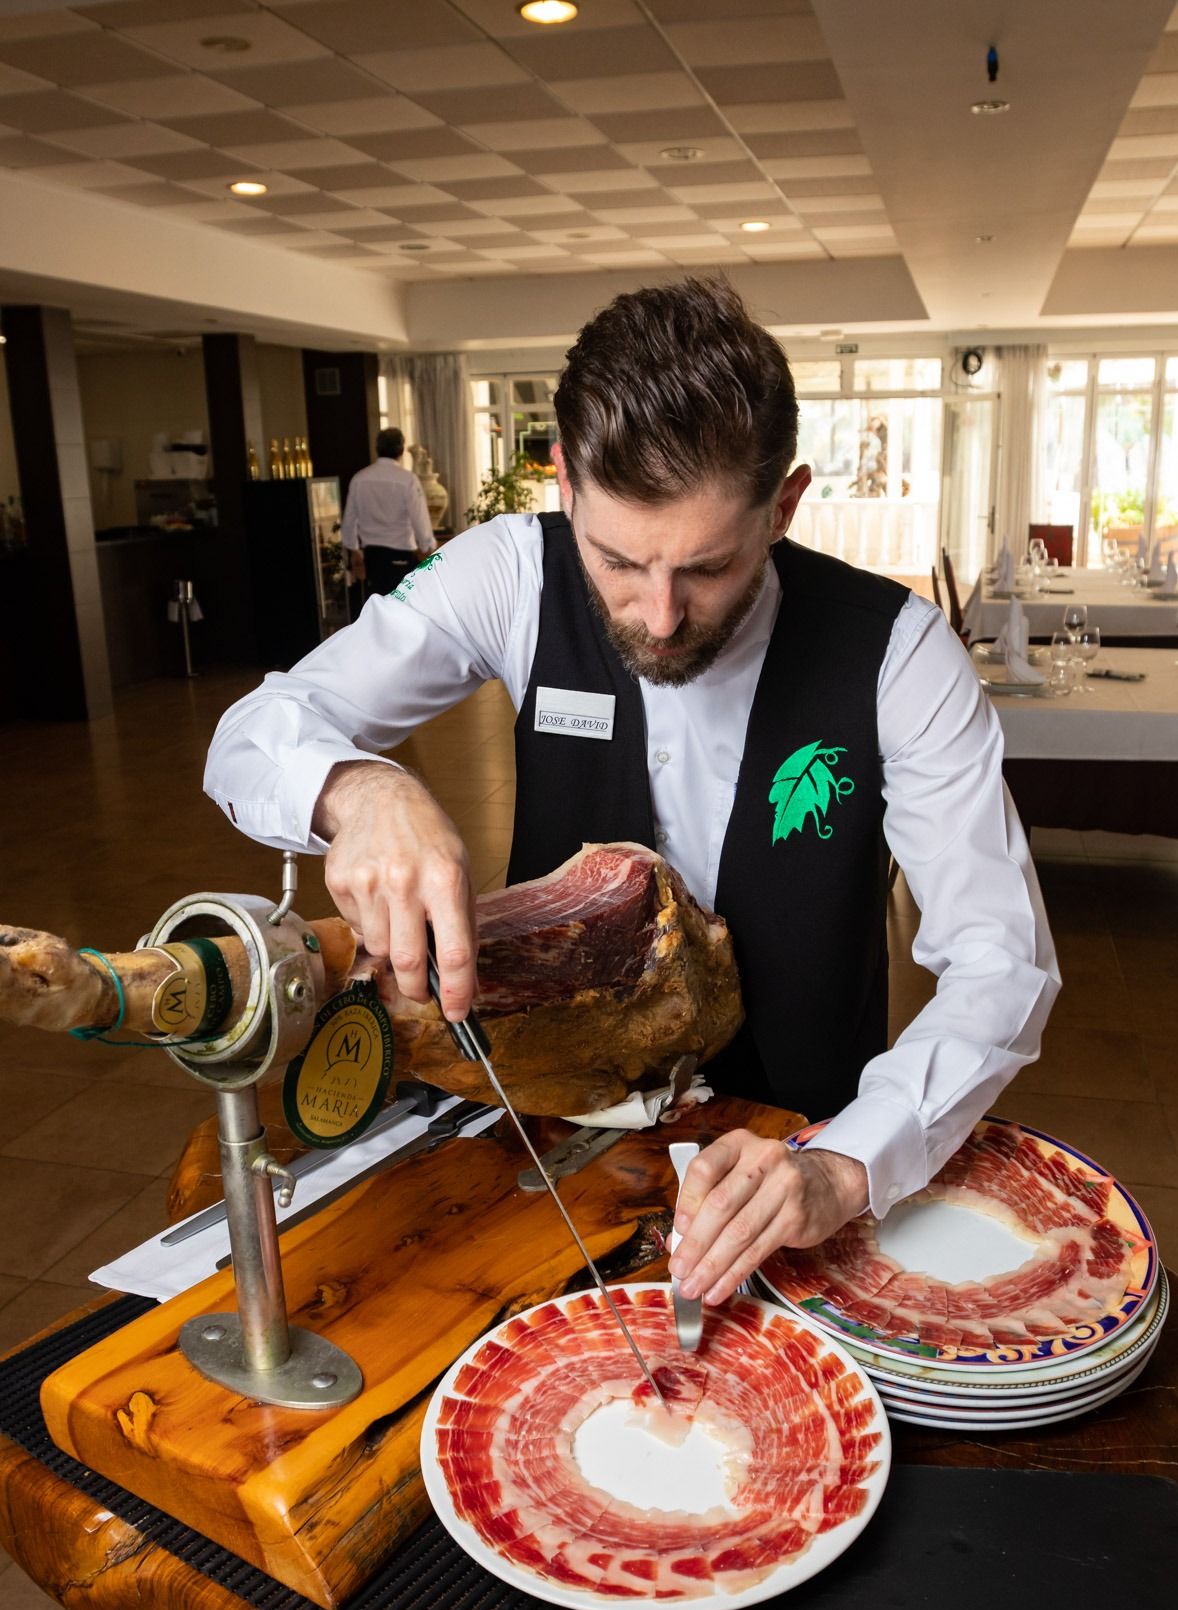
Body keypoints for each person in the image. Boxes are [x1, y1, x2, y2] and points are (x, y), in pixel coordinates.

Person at [205, 278, 1059, 1311]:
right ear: (564, 483)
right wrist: (357, 786)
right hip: (545, 1146)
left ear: (784, 506)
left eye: (707, 566)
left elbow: (1000, 962)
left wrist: (846, 1166)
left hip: (795, 1156)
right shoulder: (510, 575)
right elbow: (252, 735)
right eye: (617, 559)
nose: (659, 617)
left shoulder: (899, 652)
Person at [341, 427, 437, 616]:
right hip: (401, 555)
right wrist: (428, 547)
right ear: (401, 451)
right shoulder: (407, 480)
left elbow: (349, 520)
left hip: (373, 557)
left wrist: (354, 550)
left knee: (377, 612)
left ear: (377, 448)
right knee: (402, 611)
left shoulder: (360, 478)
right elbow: (420, 520)